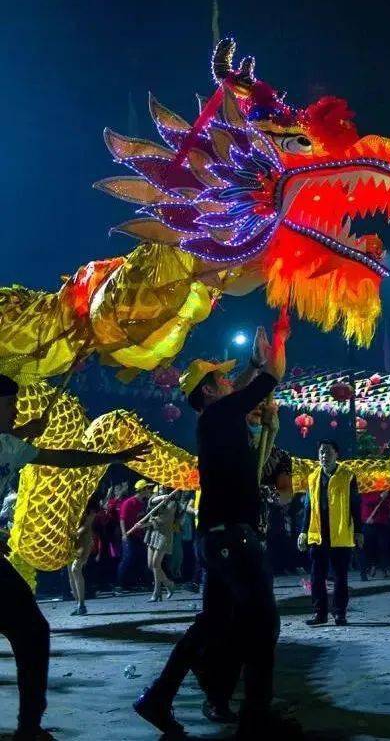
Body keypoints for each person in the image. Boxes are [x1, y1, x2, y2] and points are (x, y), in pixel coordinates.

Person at [134, 315, 297, 739]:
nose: (231, 384)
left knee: (211, 624)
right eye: (221, 381)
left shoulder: (216, 418)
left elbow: (245, 385)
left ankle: (158, 698)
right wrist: (276, 344)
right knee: (263, 625)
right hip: (234, 538)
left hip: (218, 537)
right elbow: (269, 378)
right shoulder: (221, 415)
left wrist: (250, 363)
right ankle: (255, 717)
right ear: (209, 391)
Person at [0, 372, 150, 741]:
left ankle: (30, 725)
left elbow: (63, 457)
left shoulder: (8, 445)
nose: (17, 410)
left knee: (31, 629)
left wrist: (112, 455)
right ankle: (29, 727)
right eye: (10, 405)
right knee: (32, 630)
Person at [298, 440, 363, 626]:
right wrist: (303, 531)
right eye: (321, 453)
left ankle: (339, 613)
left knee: (340, 577)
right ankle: (320, 614)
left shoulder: (348, 475)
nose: (324, 456)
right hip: (318, 534)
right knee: (316, 576)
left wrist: (358, 531)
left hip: (340, 534)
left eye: (327, 452)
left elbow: (355, 505)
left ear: (336, 454)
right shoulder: (312, 478)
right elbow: (308, 507)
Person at [117, 479, 154, 590]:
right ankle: (121, 584)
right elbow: (122, 519)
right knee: (128, 558)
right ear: (142, 490)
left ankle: (140, 583)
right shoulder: (129, 502)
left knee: (141, 558)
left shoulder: (144, 503)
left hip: (139, 535)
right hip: (129, 535)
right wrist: (124, 534)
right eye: (148, 488)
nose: (150, 490)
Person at [144, 486, 178, 602]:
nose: (162, 487)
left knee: (155, 564)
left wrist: (146, 524)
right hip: (153, 534)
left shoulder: (173, 503)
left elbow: (163, 520)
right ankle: (169, 584)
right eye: (161, 486)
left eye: (164, 487)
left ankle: (156, 591)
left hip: (164, 535)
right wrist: (162, 497)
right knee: (150, 565)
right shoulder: (157, 497)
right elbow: (150, 502)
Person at [68, 496, 101, 616]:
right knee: (71, 574)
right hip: (72, 540)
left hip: (84, 541)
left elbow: (87, 526)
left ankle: (81, 604)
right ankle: (79, 605)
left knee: (75, 569)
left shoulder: (90, 506)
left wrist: (74, 534)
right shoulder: (72, 503)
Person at [359, 489, 390, 580]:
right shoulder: (367, 491)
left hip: (381, 523)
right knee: (369, 548)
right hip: (370, 523)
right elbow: (367, 502)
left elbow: (386, 507)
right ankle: (370, 568)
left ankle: (384, 568)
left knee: (383, 547)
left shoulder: (386, 493)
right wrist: (380, 497)